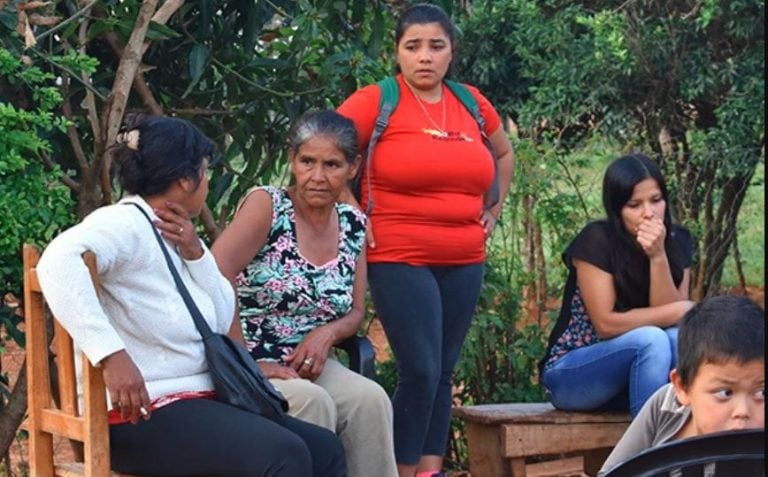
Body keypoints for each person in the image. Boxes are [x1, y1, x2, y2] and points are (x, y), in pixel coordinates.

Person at [36, 115, 346, 477]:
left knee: (324, 449)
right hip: (137, 415)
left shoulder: (172, 230)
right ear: (186, 179)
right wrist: (111, 355)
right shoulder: (121, 224)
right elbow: (57, 262)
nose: (207, 181)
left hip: (190, 400)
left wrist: (196, 255)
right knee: (282, 454)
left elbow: (218, 317)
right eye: (204, 171)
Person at [336, 4, 515, 476]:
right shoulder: (376, 101)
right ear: (396, 51)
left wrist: (493, 209)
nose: (425, 57)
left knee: (442, 371)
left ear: (451, 52)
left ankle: (429, 469)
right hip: (397, 254)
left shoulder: (471, 102)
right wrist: (353, 212)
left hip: (464, 256)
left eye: (436, 46)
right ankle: (395, 467)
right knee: (420, 368)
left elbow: (502, 152)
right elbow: (321, 148)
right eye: (413, 46)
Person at [211, 110, 397, 477]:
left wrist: (326, 334)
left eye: (332, 164)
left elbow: (356, 311)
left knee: (370, 400)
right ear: (291, 160)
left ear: (353, 167)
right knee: (314, 403)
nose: (318, 176)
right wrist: (245, 362)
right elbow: (216, 272)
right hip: (248, 363)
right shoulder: (268, 206)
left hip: (310, 363)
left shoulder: (353, 225)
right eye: (307, 161)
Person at [539, 153, 695, 418]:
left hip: (640, 374)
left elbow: (672, 319)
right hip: (572, 374)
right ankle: (649, 454)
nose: (649, 213)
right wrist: (685, 309)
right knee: (652, 339)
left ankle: (678, 445)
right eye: (635, 205)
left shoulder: (677, 240)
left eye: (656, 201)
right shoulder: (596, 240)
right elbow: (606, 324)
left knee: (675, 338)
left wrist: (658, 256)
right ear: (617, 209)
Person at [598, 295, 765, 475]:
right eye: (725, 392)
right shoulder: (665, 406)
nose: (742, 411)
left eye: (762, 392)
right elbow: (612, 472)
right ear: (682, 387)